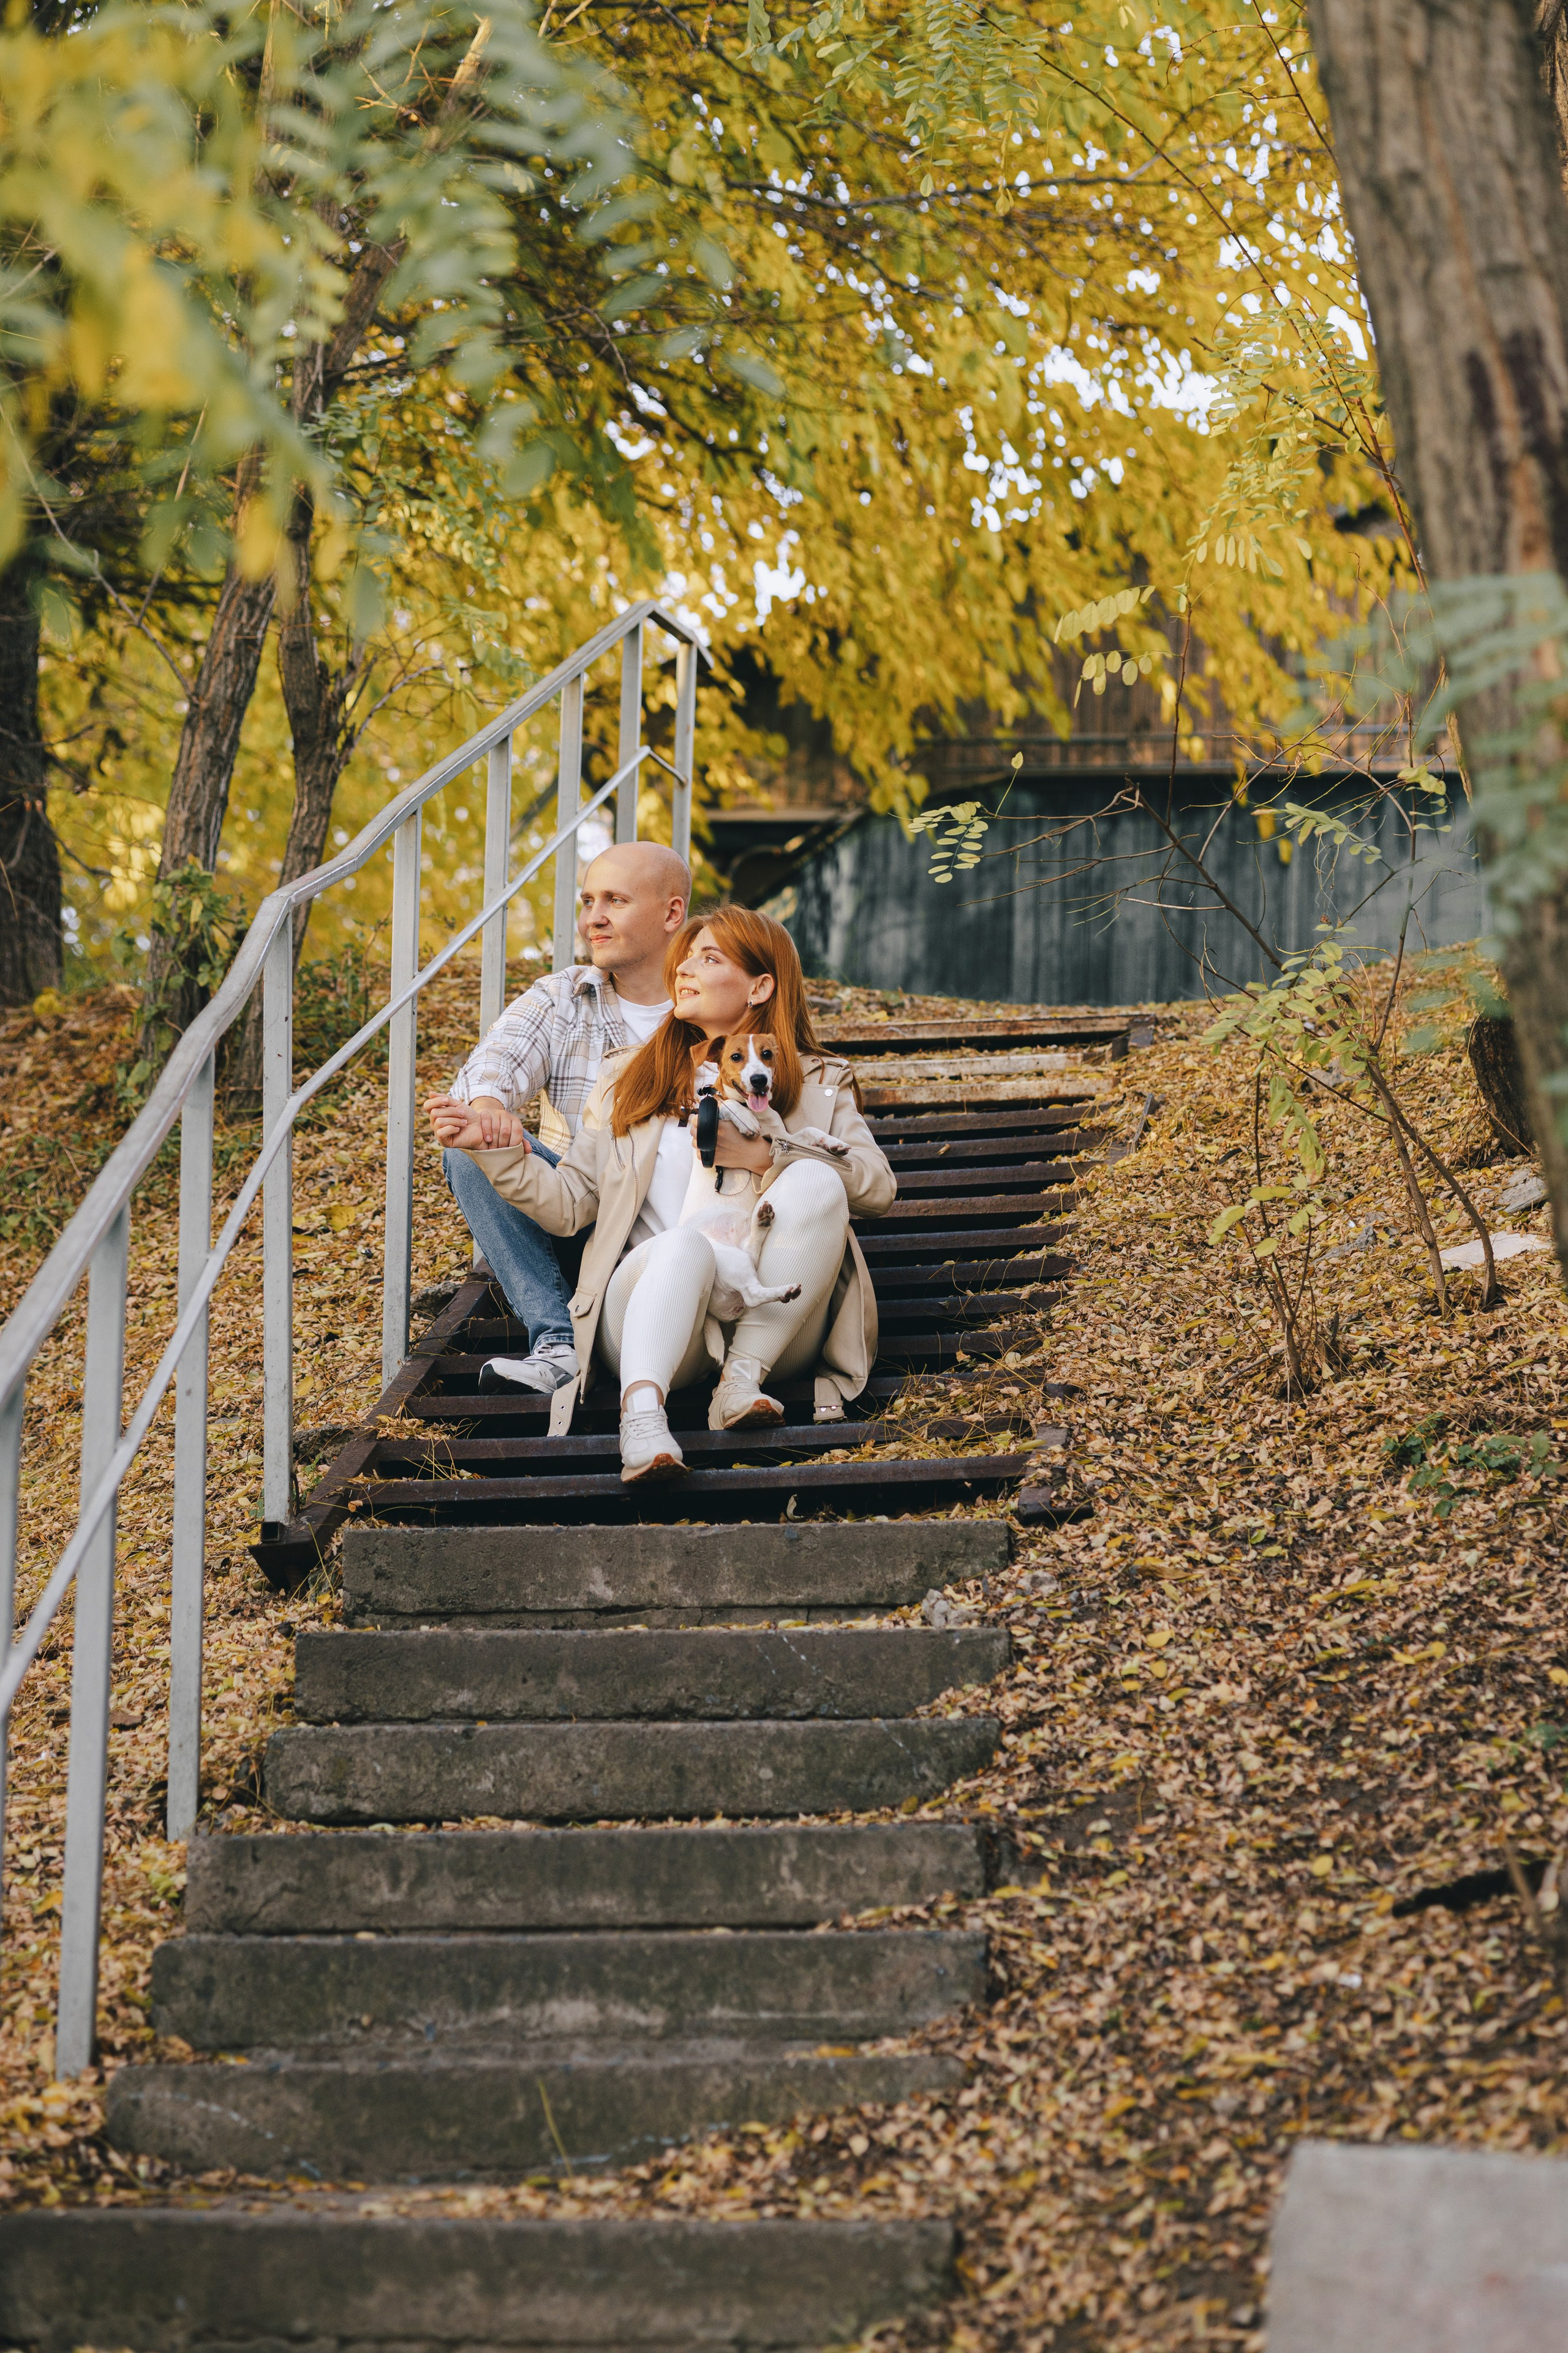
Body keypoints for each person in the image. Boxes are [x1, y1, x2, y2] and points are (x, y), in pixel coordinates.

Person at [430, 908, 896, 1482]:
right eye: (684, 959)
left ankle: (740, 1383)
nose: (684, 971)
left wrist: (766, 1156)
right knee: (681, 1246)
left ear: (760, 985)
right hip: (648, 1309)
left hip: (777, 1327)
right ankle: (643, 1423)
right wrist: (493, 1150)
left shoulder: (821, 1080)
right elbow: (573, 1202)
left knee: (818, 1176)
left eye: (709, 958)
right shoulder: (630, 1075)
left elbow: (877, 1188)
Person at [422, 840, 690, 1396]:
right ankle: (558, 1342)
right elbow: (489, 1070)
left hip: (689, 1231)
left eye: (615, 900)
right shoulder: (565, 997)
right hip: (587, 1226)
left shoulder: (712, 995)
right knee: (470, 1148)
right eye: (589, 900)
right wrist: (490, 1109)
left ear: (672, 912)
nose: (594, 917)